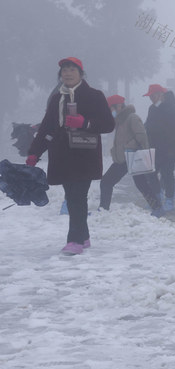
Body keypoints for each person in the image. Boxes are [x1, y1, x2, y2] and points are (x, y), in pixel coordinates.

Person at [25, 57, 115, 255]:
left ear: (81, 73)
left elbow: (109, 124)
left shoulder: (94, 96)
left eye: (72, 70)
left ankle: (74, 240)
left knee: (78, 196)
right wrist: (34, 153)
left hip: (85, 155)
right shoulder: (57, 98)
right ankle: (83, 236)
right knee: (72, 196)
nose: (67, 73)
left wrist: (86, 123)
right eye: (64, 70)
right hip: (63, 156)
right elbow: (47, 126)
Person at [99, 95, 164, 216]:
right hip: (124, 158)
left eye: (110, 108)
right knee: (139, 184)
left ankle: (103, 210)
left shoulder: (131, 118)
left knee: (107, 182)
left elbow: (142, 136)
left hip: (131, 157)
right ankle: (157, 207)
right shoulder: (120, 120)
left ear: (118, 106)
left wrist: (129, 147)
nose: (110, 111)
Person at [144, 84, 175, 211]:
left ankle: (169, 200)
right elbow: (148, 126)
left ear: (161, 95)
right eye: (150, 96)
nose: (151, 98)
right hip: (153, 149)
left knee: (167, 174)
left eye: (153, 96)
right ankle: (156, 198)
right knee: (151, 175)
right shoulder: (152, 109)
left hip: (169, 150)